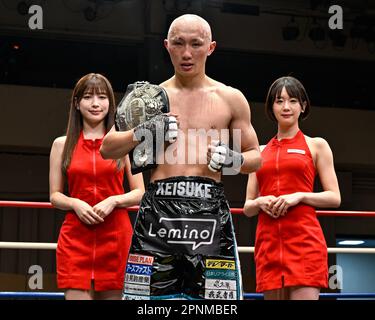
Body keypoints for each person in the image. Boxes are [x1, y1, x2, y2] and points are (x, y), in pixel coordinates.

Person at [100, 14, 261, 300]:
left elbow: (256, 158)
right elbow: (108, 148)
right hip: (158, 214)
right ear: (166, 46)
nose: (187, 53)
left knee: (215, 306)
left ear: (210, 47)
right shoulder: (149, 99)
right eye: (179, 43)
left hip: (208, 212)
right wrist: (142, 131)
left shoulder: (230, 97)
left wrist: (232, 159)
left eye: (196, 44)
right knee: (148, 305)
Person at [243, 76, 341, 300]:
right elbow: (248, 207)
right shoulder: (258, 151)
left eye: (293, 101)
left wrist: (298, 196)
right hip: (268, 244)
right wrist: (259, 202)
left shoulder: (317, 145)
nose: (286, 107)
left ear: (303, 106)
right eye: (279, 101)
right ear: (271, 106)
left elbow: (335, 197)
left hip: (304, 242)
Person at [49, 73, 145, 300]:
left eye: (102, 97)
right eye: (88, 97)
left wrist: (114, 200)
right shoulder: (61, 145)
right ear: (76, 103)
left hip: (115, 239)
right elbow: (54, 195)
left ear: (110, 104)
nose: (95, 104)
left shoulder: (125, 143)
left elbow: (140, 192)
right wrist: (74, 202)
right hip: (76, 240)